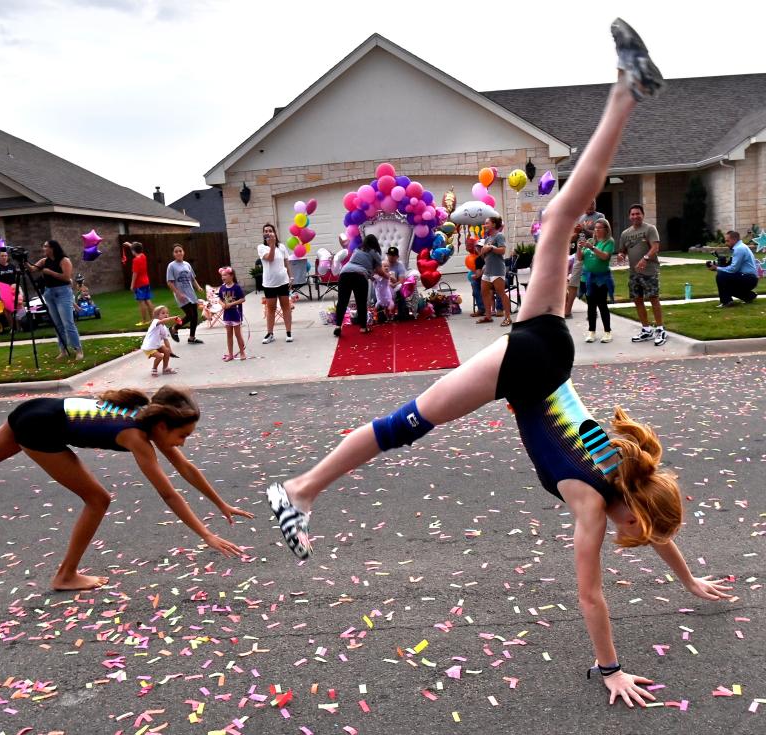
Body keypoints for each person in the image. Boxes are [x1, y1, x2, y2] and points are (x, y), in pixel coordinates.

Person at [266, 20, 733, 707]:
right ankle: (299, 490)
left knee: (565, 214)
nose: (632, 540)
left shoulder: (624, 465)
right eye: (636, 530)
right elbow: (590, 593)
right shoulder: (592, 500)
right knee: (402, 425)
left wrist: (688, 578)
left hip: (549, 349)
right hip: (528, 370)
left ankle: (626, 93)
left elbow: (653, 521)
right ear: (627, 511)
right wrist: (611, 670)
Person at [0, 386, 254, 591]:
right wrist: (205, 534)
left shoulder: (146, 414)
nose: (184, 443)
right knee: (98, 498)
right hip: (42, 428)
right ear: (162, 427)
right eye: (183, 435)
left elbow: (184, 468)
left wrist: (221, 505)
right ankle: (66, 575)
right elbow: (169, 493)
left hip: (36, 410)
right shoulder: (138, 437)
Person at [619, 204, 665, 346]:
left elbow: (655, 247)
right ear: (629, 216)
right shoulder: (625, 233)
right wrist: (621, 255)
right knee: (637, 300)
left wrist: (645, 258)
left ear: (642, 215)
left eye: (637, 213)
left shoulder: (650, 229)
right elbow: (623, 250)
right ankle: (646, 329)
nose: (635, 216)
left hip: (649, 271)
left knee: (653, 298)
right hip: (634, 273)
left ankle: (660, 329)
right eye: (632, 214)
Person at [29, 240, 84, 360]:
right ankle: (63, 350)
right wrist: (23, 260)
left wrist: (50, 272)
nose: (43, 248)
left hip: (63, 292)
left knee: (68, 323)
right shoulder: (44, 261)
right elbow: (32, 269)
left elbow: (66, 277)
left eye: (46, 246)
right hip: (49, 293)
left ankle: (78, 349)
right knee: (57, 324)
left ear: (52, 248)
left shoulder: (64, 260)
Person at [333, 234, 385, 336]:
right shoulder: (375, 252)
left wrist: (370, 275)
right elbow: (379, 270)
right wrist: (388, 277)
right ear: (375, 243)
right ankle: (363, 328)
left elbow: (362, 265)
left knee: (342, 301)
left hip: (344, 274)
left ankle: (338, 326)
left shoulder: (357, 250)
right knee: (361, 302)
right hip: (359, 276)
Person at [582, 219, 616, 343]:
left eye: (599, 228)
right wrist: (580, 248)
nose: (596, 230)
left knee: (602, 304)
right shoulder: (591, 241)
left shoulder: (609, 242)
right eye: (595, 228)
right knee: (591, 306)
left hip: (602, 278)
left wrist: (592, 248)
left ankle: (607, 332)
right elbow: (580, 258)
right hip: (589, 278)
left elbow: (604, 257)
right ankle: (591, 332)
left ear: (606, 229)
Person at [258, 224, 293, 344]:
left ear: (274, 232)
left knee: (286, 307)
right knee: (271, 308)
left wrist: (291, 277)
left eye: (270, 230)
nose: (268, 232)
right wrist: (272, 245)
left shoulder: (282, 247)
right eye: (265, 231)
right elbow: (270, 258)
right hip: (269, 284)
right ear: (263, 234)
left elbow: (286, 262)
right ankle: (270, 333)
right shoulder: (261, 247)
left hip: (283, 281)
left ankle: (288, 332)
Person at [166, 244, 205, 345]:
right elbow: (169, 282)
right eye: (176, 251)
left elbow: (192, 278)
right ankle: (174, 328)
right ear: (173, 254)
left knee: (195, 316)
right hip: (181, 295)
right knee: (190, 315)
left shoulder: (187, 264)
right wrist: (178, 293)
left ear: (183, 252)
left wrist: (198, 287)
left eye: (180, 251)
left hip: (190, 293)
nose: (179, 253)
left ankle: (192, 338)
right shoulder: (171, 266)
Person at [708, 230, 759, 307]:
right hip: (750, 278)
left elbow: (733, 269)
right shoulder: (741, 247)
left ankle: (726, 301)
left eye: (727, 241)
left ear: (734, 240)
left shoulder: (739, 249)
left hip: (748, 278)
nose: (726, 243)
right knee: (726, 283)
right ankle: (749, 296)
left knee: (721, 276)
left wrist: (717, 268)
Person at [477, 216, 512, 326]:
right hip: (488, 270)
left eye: (487, 223)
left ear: (493, 224)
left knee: (501, 293)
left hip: (497, 269)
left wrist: (491, 248)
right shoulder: (487, 239)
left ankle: (508, 317)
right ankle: (488, 316)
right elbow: (484, 256)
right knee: (484, 291)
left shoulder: (499, 236)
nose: (485, 225)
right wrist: (481, 251)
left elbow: (502, 251)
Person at [142, 305, 182, 376]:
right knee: (160, 356)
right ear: (157, 316)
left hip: (156, 345)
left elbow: (166, 340)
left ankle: (165, 368)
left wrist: (170, 351)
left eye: (167, 313)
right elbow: (163, 321)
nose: (166, 314)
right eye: (163, 313)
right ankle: (154, 369)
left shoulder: (164, 328)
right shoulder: (155, 321)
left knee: (167, 351)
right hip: (148, 347)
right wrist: (173, 318)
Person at [218, 266, 247, 361]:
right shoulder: (222, 288)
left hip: (235, 313)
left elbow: (243, 299)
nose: (223, 277)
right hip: (227, 315)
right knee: (229, 335)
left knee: (238, 335)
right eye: (222, 275)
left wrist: (231, 304)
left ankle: (242, 352)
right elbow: (220, 299)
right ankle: (230, 354)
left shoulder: (236, 287)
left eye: (225, 275)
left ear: (231, 276)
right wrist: (223, 304)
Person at [0, 249, 18, 329]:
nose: (4, 257)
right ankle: (12, 328)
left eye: (5, 256)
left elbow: (16, 278)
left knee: (16, 307)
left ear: (7, 257)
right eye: (2, 256)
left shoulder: (12, 266)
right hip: (3, 290)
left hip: (13, 288)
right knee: (7, 310)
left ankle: (19, 326)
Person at [130, 242, 154, 326]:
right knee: (148, 300)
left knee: (141, 302)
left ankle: (144, 321)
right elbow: (137, 250)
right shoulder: (143, 256)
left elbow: (135, 273)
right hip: (146, 282)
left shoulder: (135, 260)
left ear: (133, 251)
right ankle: (153, 319)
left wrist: (132, 285)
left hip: (139, 284)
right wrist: (131, 245)